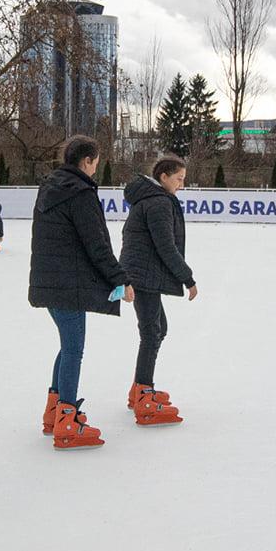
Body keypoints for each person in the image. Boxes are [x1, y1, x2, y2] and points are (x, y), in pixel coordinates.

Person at [28, 135, 133, 450]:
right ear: (87, 161)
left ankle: (54, 412)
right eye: (96, 163)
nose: (95, 169)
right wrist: (120, 279)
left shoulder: (50, 188)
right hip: (67, 284)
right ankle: (67, 421)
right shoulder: (80, 193)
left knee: (66, 347)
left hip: (50, 282)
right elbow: (97, 244)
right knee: (74, 350)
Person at [120, 155, 197, 425]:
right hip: (143, 276)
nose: (181, 185)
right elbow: (166, 246)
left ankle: (139, 389)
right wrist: (187, 277)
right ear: (163, 177)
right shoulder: (158, 203)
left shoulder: (150, 199)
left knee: (157, 328)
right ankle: (143, 393)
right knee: (152, 331)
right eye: (179, 179)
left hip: (141, 273)